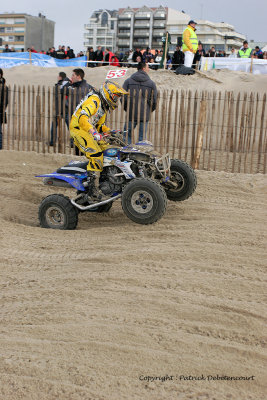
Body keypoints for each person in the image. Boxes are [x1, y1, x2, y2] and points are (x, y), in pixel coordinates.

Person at [69, 80, 128, 199]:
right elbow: (83, 118)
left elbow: (100, 126)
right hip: (79, 129)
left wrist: (111, 131)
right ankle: (93, 190)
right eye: (115, 97)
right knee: (96, 155)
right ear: (108, 94)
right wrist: (93, 132)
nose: (116, 100)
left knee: (110, 150)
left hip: (89, 130)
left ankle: (106, 180)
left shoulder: (103, 106)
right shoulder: (94, 101)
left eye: (118, 98)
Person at [122, 62, 157, 143]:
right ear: (143, 69)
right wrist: (149, 110)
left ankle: (127, 153)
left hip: (131, 113)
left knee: (126, 136)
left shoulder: (128, 81)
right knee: (142, 138)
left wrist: (127, 108)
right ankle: (139, 154)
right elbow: (154, 100)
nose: (149, 69)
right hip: (144, 113)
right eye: (148, 67)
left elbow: (124, 97)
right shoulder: (151, 83)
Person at [50, 72, 71, 146]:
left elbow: (61, 90)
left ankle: (52, 141)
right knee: (70, 127)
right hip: (64, 108)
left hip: (63, 109)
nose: (57, 77)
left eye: (58, 76)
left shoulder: (62, 85)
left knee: (69, 127)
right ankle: (72, 142)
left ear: (60, 77)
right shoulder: (67, 84)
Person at [0, 69, 8, 150]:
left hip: (0, 112)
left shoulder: (5, 87)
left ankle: (0, 147)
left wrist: (2, 109)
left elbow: (6, 101)